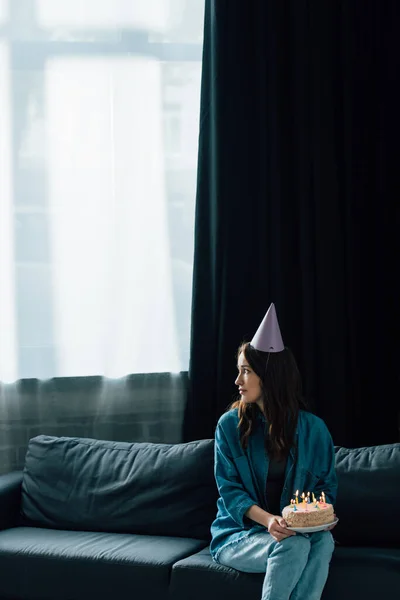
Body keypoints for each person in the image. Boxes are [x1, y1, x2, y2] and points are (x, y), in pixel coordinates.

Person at [210, 303, 338, 600]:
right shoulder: (229, 427)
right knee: (293, 545)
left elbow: (325, 490)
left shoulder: (314, 431)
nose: (237, 381)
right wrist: (269, 521)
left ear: (268, 376)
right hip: (238, 537)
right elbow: (230, 492)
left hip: (297, 533)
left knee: (323, 542)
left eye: (246, 372)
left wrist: (321, 517)